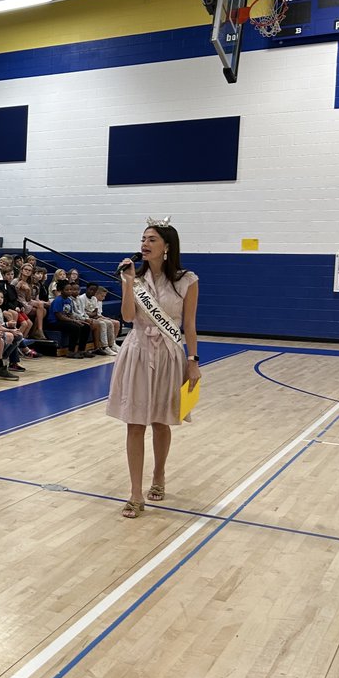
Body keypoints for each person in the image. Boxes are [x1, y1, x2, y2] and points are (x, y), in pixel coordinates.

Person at [107, 222, 200, 519]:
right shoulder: (134, 277)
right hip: (137, 351)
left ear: (167, 246)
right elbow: (127, 316)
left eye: (152, 239)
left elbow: (189, 325)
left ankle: (158, 475)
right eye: (143, 239)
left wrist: (193, 360)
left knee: (161, 421)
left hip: (170, 354)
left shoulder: (187, 280)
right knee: (134, 422)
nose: (145, 243)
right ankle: (135, 493)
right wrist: (128, 282)